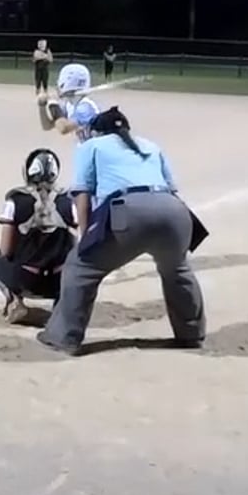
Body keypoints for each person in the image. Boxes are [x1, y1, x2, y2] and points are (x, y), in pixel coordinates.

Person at [39, 106, 208, 356]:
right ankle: (191, 334)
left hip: (127, 212)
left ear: (98, 132)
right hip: (174, 212)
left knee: (80, 268)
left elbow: (82, 194)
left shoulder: (91, 146)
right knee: (177, 270)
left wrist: (86, 237)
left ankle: (63, 336)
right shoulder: (150, 145)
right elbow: (172, 190)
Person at [0, 148, 79, 323]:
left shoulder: (16, 200)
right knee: (73, 264)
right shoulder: (69, 200)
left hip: (26, 278)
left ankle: (13, 301)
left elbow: (6, 250)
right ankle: (62, 306)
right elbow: (75, 247)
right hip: (59, 281)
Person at [38, 62, 98, 133]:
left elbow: (64, 128)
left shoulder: (85, 107)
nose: (57, 86)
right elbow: (47, 126)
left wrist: (53, 103)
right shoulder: (70, 104)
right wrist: (42, 106)